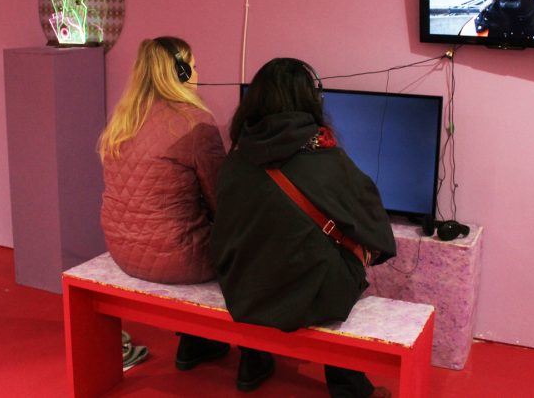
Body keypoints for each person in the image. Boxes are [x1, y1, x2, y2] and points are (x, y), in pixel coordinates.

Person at [210, 57, 397, 397]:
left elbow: (225, 231)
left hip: (244, 290)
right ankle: (348, 387)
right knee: (341, 263)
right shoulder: (328, 160)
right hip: (314, 298)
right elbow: (375, 227)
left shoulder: (234, 160)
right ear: (313, 100)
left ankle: (252, 364)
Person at [98, 37, 230, 372]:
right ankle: (252, 352)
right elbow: (224, 203)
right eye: (194, 66)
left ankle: (194, 341)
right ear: (181, 73)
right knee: (243, 236)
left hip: (122, 250)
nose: (198, 73)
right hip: (180, 260)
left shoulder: (122, 119)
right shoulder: (195, 122)